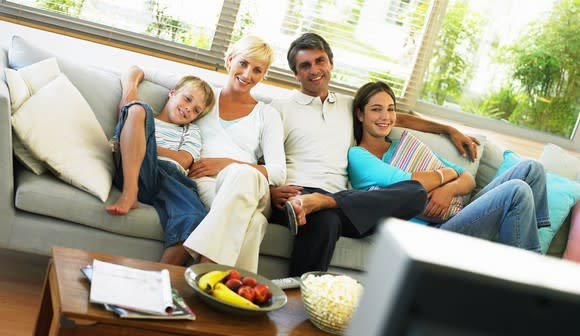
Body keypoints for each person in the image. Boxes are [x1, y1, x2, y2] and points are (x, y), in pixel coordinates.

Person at [269, 32, 480, 276]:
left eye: (320, 61)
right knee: (325, 221)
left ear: (331, 63)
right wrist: (272, 191)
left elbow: (395, 118)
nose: (314, 69)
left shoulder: (347, 105)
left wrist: (448, 129)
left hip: (342, 201)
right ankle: (297, 301)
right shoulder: (280, 108)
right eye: (305, 65)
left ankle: (325, 201)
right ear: (296, 73)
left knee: (415, 192)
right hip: (297, 195)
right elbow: (261, 160)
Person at [348, 81, 551, 253]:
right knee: (517, 191)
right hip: (434, 233)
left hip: (457, 213)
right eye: (376, 109)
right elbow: (410, 184)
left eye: (390, 108)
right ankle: (530, 271)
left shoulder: (403, 144)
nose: (385, 116)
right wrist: (449, 173)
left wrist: (448, 189)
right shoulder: (359, 155)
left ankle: (527, 247)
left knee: (532, 168)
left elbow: (467, 179)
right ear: (360, 114)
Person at [177, 35, 287, 273]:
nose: (248, 74)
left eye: (257, 70)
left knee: (242, 174)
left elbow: (277, 173)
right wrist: (133, 77)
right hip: (206, 184)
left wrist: (225, 164)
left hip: (252, 186)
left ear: (263, 75)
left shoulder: (267, 115)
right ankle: (230, 296)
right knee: (254, 223)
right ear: (229, 59)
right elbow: (165, 81)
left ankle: (204, 267)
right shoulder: (203, 98)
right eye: (243, 63)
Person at [106, 66, 215, 265]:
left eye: (196, 110)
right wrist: (132, 81)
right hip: (136, 170)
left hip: (172, 179)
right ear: (172, 93)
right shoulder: (140, 117)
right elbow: (132, 73)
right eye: (187, 99)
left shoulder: (190, 131)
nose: (189, 108)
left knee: (196, 218)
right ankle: (130, 193)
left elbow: (183, 160)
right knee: (138, 108)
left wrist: (141, 144)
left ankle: (160, 281)